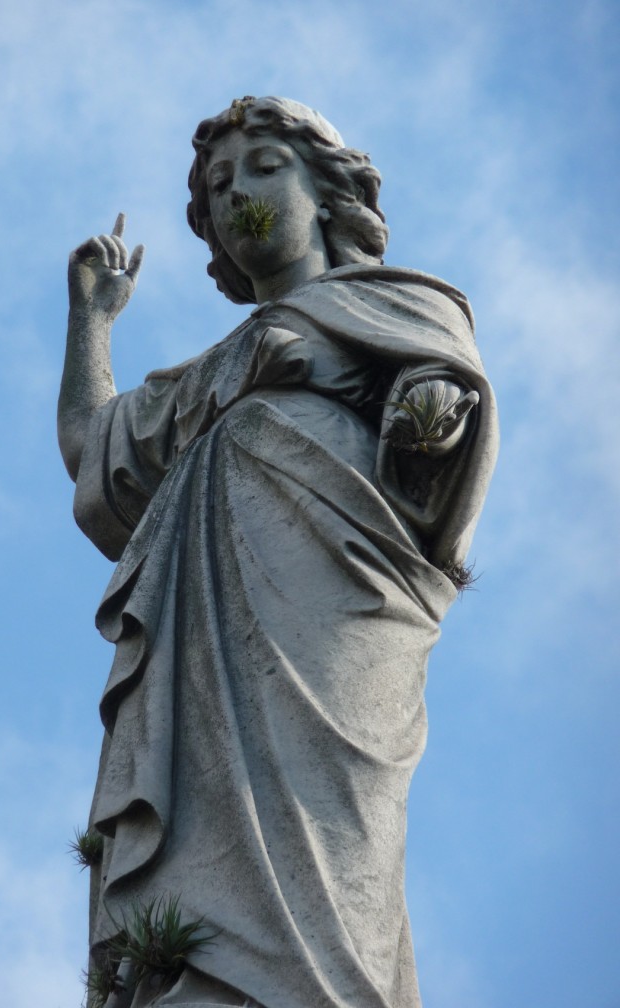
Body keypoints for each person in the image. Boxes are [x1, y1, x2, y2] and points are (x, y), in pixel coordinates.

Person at [58, 97, 498, 1008]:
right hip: (195, 630)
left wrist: (426, 422)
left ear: (328, 192)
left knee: (326, 827)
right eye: (220, 185)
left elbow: (438, 410)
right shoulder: (202, 374)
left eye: (264, 168)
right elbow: (92, 448)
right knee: (192, 844)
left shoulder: (399, 306)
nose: (238, 194)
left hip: (333, 595)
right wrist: (92, 322)